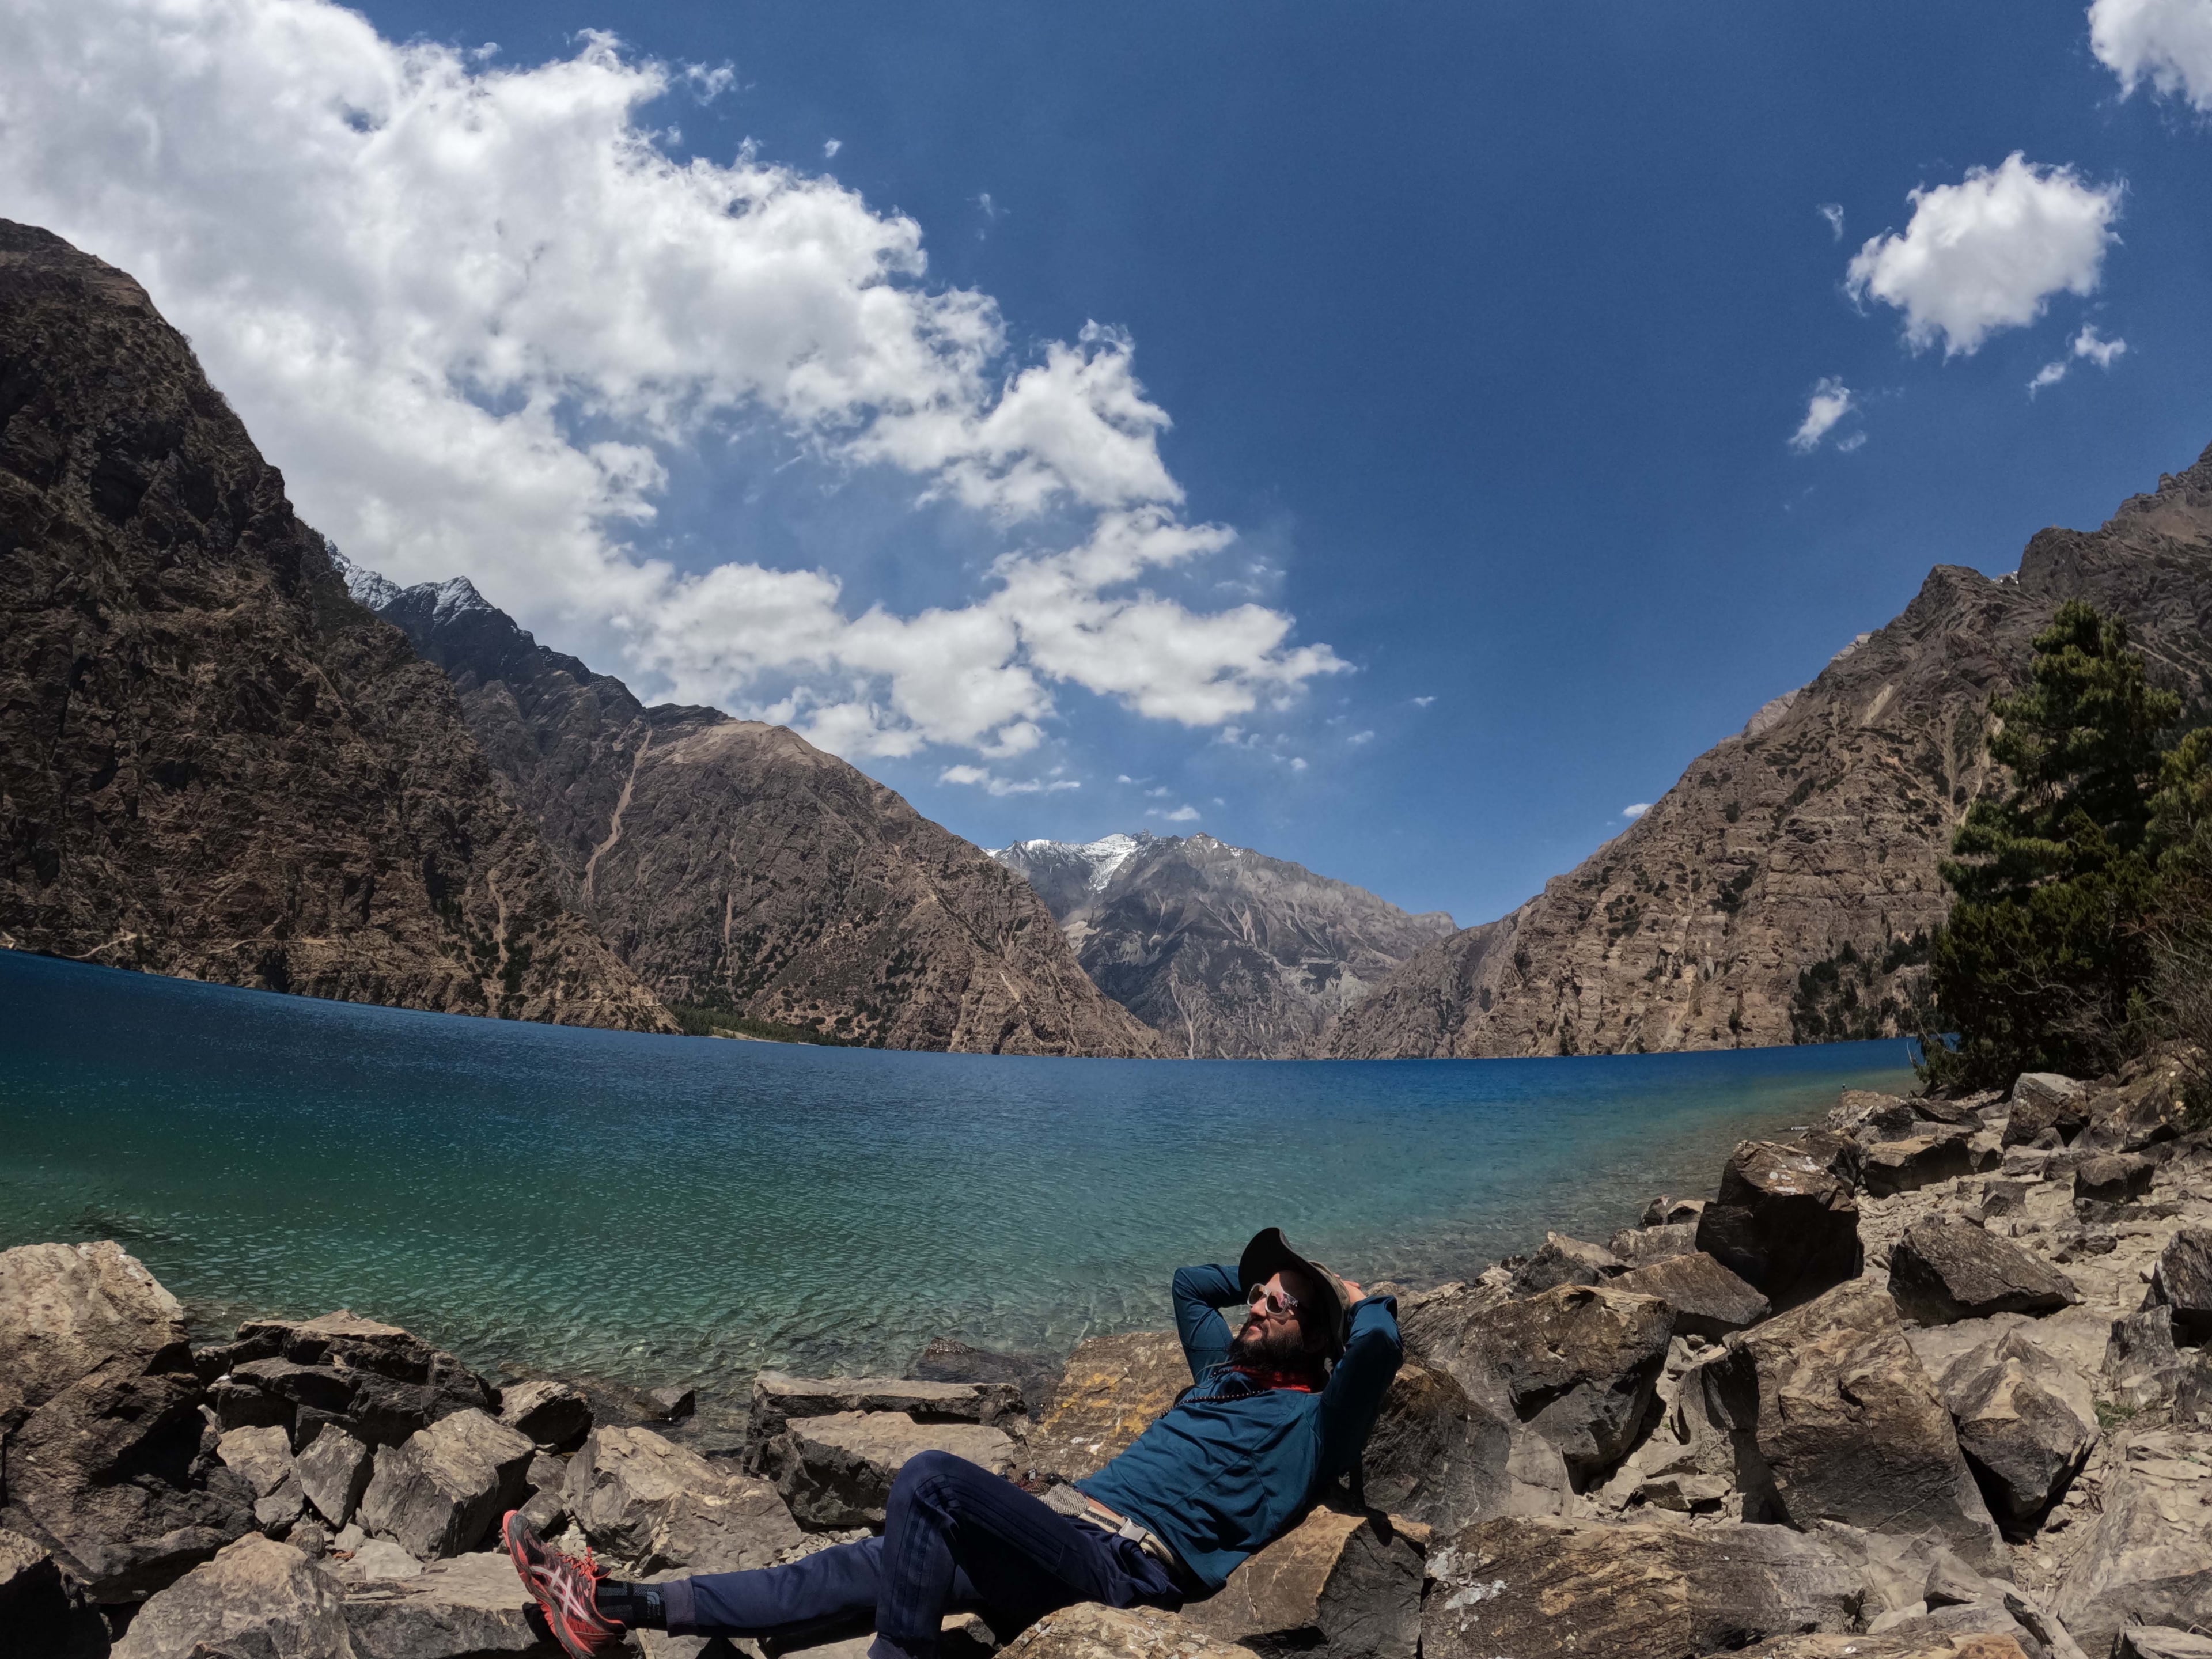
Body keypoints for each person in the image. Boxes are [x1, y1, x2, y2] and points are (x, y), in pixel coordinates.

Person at [504, 1227, 1402, 1659]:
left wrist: (1360, 1303)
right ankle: (618, 1607)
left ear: (1318, 1337)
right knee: (864, 1565)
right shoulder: (1222, 1374)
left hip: (1123, 1567)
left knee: (931, 1479)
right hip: (1055, 1532)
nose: (1256, 1306)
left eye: (1281, 1305)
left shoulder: (1315, 1421)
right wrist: (1268, 1275)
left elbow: (1383, 1350)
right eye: (1260, 1294)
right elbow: (1186, 1287)